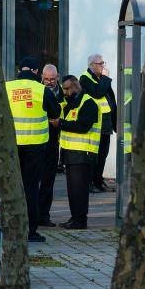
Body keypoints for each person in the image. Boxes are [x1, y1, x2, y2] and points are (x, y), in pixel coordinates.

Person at [5, 57, 60, 242]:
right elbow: (55, 113)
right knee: (30, 188)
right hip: (36, 147)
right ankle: (30, 231)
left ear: (19, 70)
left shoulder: (7, 87)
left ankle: (10, 228)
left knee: (12, 186)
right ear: (37, 72)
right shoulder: (42, 90)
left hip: (11, 147)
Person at [56, 75, 100, 229]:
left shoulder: (88, 103)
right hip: (72, 154)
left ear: (76, 86)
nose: (66, 92)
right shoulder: (73, 103)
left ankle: (80, 221)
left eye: (68, 88)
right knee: (73, 190)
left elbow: (82, 126)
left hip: (83, 154)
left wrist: (60, 123)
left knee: (79, 191)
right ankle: (75, 218)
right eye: (64, 89)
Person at [79, 54, 117, 193]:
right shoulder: (85, 78)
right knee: (95, 156)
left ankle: (98, 181)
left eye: (103, 63)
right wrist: (106, 78)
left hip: (106, 124)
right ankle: (91, 183)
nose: (103, 66)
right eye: (100, 63)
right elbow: (97, 93)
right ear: (92, 65)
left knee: (103, 155)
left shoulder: (100, 78)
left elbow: (110, 98)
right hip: (95, 124)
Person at [38, 64, 65, 227]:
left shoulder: (63, 93)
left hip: (53, 142)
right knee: (34, 181)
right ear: (42, 77)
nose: (49, 82)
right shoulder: (37, 91)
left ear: (58, 77)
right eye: (46, 79)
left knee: (48, 182)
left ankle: (44, 216)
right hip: (37, 142)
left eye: (52, 79)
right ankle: (32, 213)